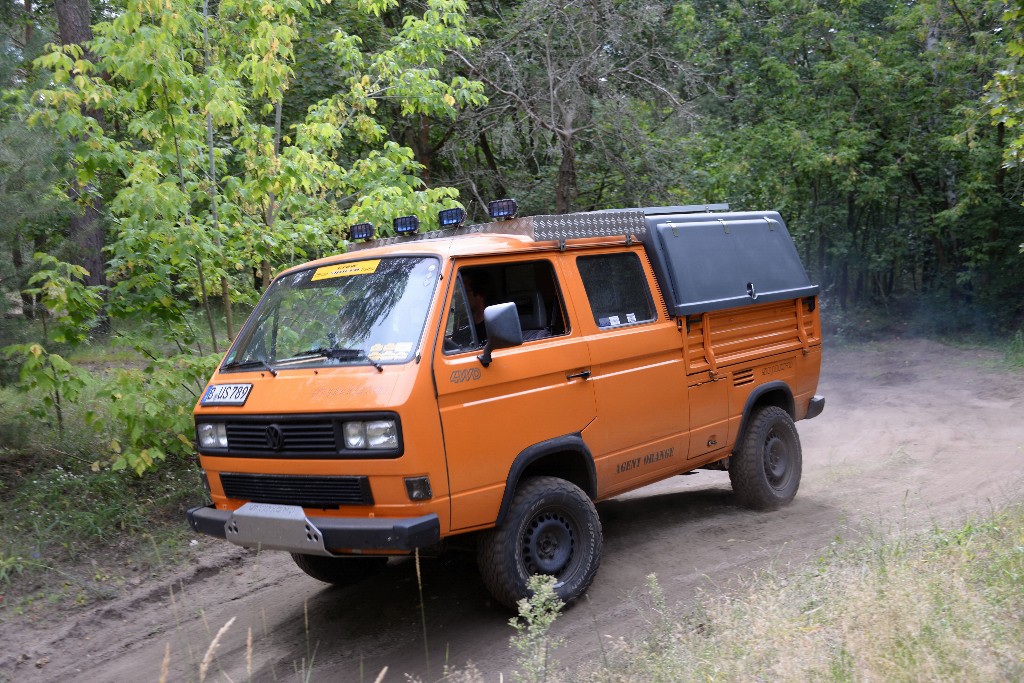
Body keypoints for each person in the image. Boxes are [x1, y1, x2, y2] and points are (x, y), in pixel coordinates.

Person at [461, 269, 492, 344]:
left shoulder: (492, 329)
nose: (462, 296)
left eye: (466, 291)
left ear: (479, 295)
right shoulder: (466, 327)